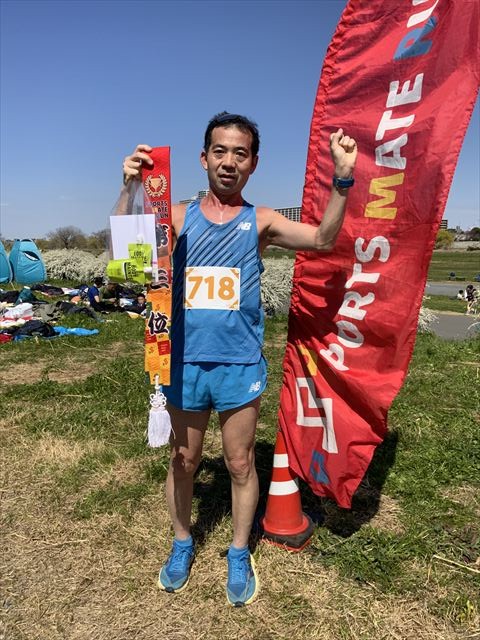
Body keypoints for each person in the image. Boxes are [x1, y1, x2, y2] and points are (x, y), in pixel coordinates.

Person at [122, 112, 358, 606]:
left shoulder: (262, 222)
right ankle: (181, 543)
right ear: (204, 158)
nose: (229, 162)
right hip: (183, 364)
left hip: (239, 366)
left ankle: (236, 551)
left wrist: (342, 178)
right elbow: (128, 260)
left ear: (253, 164)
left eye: (240, 153)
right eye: (220, 151)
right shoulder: (177, 217)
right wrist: (130, 188)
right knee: (184, 460)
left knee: (239, 462)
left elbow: (322, 239)